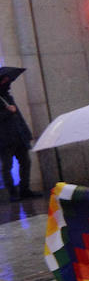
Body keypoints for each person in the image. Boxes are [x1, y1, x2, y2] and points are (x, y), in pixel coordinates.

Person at [0, 70, 36, 201]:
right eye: (4, 80)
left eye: (7, 80)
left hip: (18, 136)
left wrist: (27, 133)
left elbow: (18, 116)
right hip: (4, 139)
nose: (7, 82)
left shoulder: (7, 97)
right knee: (7, 167)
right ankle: (13, 193)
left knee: (26, 162)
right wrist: (8, 112)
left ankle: (24, 189)